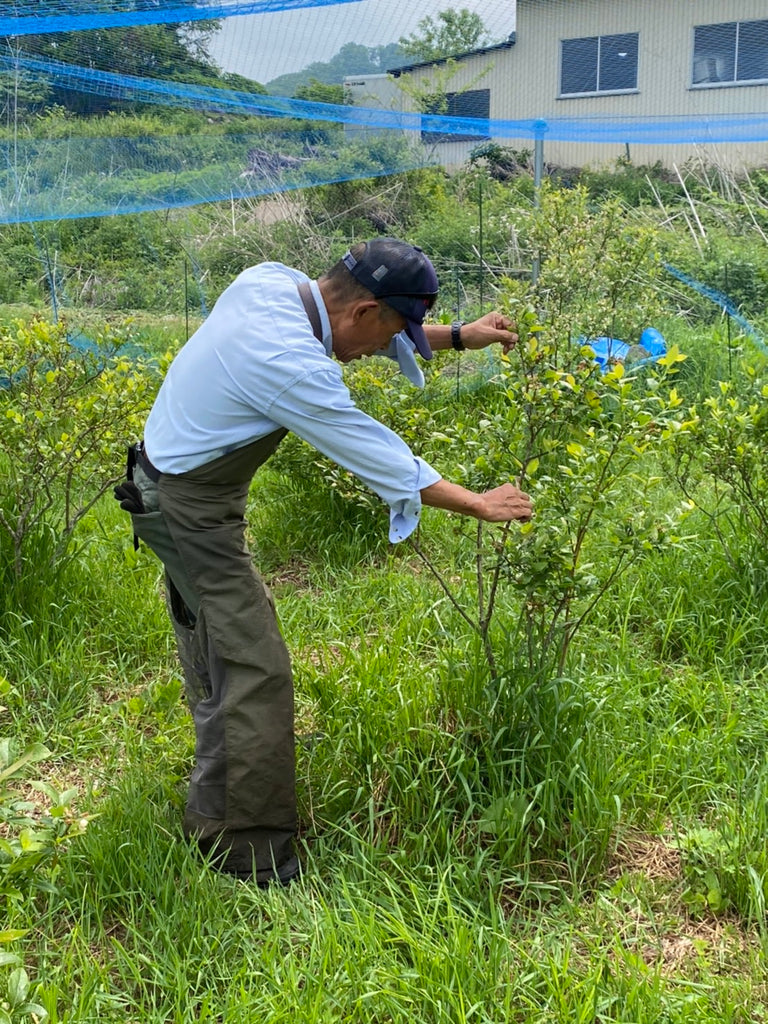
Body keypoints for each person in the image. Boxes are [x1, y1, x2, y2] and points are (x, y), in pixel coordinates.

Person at [115, 237, 532, 887]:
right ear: (364, 311)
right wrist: (476, 501)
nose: (378, 351)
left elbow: (354, 331)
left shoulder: (273, 282)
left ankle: (219, 787)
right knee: (257, 667)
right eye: (391, 332)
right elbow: (376, 452)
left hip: (174, 483)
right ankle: (246, 854)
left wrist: (459, 336)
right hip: (185, 507)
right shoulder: (287, 363)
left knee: (221, 640)